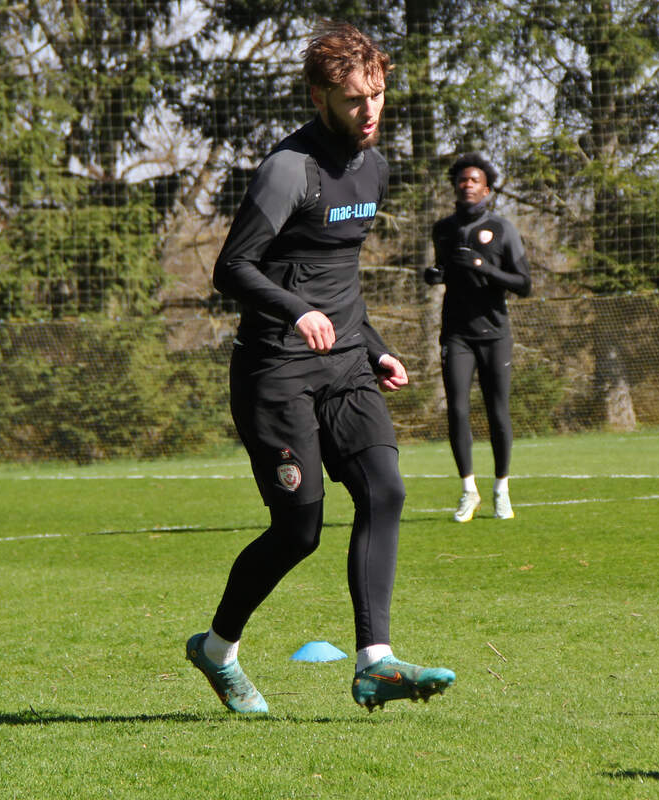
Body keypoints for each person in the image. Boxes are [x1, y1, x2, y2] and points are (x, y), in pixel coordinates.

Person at [186, 22, 455, 714]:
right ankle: (217, 651)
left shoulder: (374, 167)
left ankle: (375, 662)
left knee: (386, 490)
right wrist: (294, 311)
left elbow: (340, 278)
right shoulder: (289, 169)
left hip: (345, 367)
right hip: (275, 371)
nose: (369, 112)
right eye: (354, 99)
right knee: (298, 530)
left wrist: (374, 345)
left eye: (379, 96)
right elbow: (231, 268)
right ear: (320, 98)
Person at [424, 153, 532, 523]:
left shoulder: (502, 229)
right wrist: (436, 275)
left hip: (494, 333)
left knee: (498, 411)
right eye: (462, 179)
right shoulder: (443, 229)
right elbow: (445, 271)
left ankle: (501, 488)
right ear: (455, 185)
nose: (467, 185)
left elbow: (524, 284)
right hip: (456, 334)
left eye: (475, 181)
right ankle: (468, 490)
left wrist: (486, 269)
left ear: (486, 189)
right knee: (457, 409)